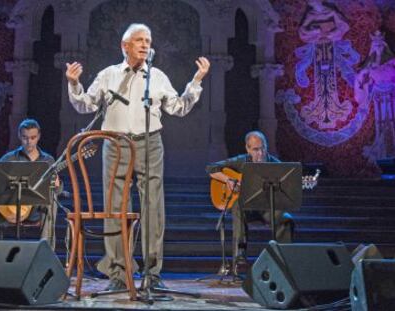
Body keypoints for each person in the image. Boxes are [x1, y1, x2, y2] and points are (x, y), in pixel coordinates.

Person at [65, 23, 210, 291]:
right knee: (115, 207)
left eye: (148, 40)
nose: (145, 44)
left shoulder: (157, 76)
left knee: (153, 207)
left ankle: (152, 274)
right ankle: (119, 273)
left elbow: (178, 108)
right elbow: (86, 104)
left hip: (150, 142)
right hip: (115, 143)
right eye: (139, 40)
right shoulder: (109, 75)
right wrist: (74, 83)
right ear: (125, 46)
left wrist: (196, 81)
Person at [206, 131, 294, 271]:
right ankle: (240, 255)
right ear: (248, 149)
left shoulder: (275, 165)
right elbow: (211, 168)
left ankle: (285, 261)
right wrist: (228, 180)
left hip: (267, 209)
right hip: (247, 210)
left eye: (263, 148)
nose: (260, 153)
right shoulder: (242, 161)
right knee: (238, 204)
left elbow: (288, 188)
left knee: (286, 219)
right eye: (256, 149)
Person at [0, 118, 60, 249]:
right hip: (9, 209)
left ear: (39, 136)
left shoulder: (47, 160)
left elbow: (57, 190)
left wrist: (56, 185)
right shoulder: (10, 157)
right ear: (19, 135)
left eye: (33, 137)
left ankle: (46, 251)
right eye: (25, 137)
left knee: (52, 198)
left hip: (35, 211)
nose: (29, 142)